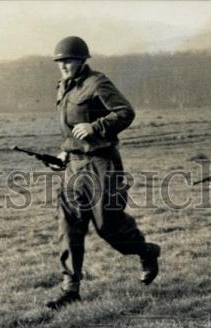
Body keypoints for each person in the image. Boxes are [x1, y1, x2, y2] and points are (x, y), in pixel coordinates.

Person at [46, 36, 161, 310]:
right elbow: (70, 130)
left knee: (108, 226)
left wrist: (96, 127)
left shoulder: (97, 82)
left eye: (68, 61)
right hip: (74, 166)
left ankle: (146, 251)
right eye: (60, 61)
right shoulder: (63, 88)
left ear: (82, 60)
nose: (63, 66)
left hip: (101, 165)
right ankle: (70, 288)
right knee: (69, 227)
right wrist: (64, 152)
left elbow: (125, 112)